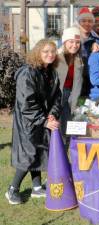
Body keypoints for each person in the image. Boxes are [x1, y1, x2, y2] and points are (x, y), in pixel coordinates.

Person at [6, 39, 62, 204]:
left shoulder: (51, 72)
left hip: (43, 118)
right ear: (37, 53)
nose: (50, 55)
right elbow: (26, 103)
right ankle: (12, 189)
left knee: (39, 151)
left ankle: (37, 187)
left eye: (52, 51)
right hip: (28, 121)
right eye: (45, 51)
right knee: (28, 154)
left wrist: (52, 114)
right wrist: (43, 120)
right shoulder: (27, 73)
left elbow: (57, 97)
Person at [56, 26, 84, 136]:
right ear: (64, 42)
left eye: (77, 42)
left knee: (68, 127)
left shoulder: (78, 59)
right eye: (71, 42)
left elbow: (77, 83)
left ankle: (66, 149)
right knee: (59, 127)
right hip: (58, 95)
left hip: (71, 96)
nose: (75, 45)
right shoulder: (56, 57)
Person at [77, 7, 99, 97]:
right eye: (83, 21)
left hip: (92, 80)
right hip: (76, 80)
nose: (87, 23)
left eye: (89, 21)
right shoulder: (73, 39)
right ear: (78, 22)